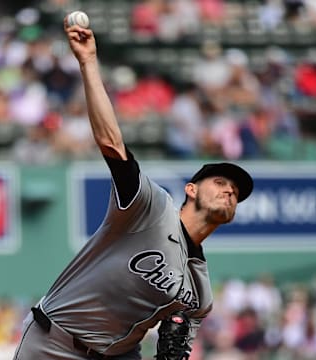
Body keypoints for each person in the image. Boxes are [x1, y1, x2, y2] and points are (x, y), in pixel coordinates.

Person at [13, 17, 254, 360]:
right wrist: (88, 62)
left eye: (236, 191)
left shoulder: (199, 294)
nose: (230, 191)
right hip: (55, 341)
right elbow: (112, 145)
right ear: (191, 189)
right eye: (220, 182)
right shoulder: (151, 209)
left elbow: (176, 347)